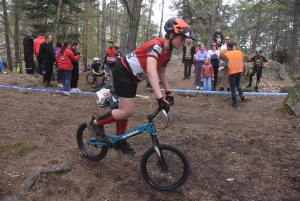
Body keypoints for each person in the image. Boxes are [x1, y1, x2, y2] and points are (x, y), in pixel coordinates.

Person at [87, 17, 195, 154]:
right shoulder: (156, 46)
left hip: (132, 77)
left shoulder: (168, 52)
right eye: (182, 38)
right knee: (128, 110)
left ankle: (119, 141)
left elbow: (161, 71)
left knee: (124, 109)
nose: (184, 42)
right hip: (123, 72)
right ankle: (95, 123)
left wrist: (168, 93)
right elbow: (151, 70)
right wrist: (159, 97)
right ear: (172, 35)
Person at [221, 42, 245, 107]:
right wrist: (244, 72)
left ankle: (234, 101)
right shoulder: (239, 52)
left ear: (228, 47)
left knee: (232, 86)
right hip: (239, 70)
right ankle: (241, 94)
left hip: (232, 72)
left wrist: (223, 68)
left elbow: (226, 65)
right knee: (237, 83)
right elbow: (243, 62)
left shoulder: (227, 54)